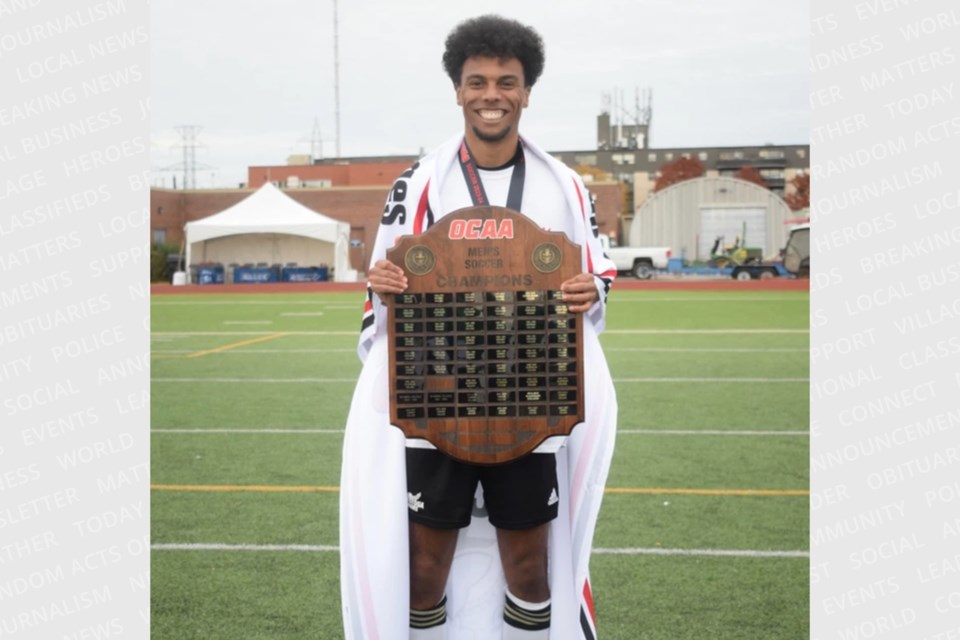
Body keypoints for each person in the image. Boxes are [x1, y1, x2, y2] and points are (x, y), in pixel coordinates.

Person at [340, 15, 618, 640]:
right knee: (424, 566)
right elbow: (381, 281)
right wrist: (380, 287)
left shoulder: (565, 186)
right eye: (478, 82)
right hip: (437, 396)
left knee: (529, 565)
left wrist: (587, 289)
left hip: (530, 396)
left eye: (506, 82)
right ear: (458, 90)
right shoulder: (416, 184)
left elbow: (599, 273)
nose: (492, 94)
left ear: (526, 92)